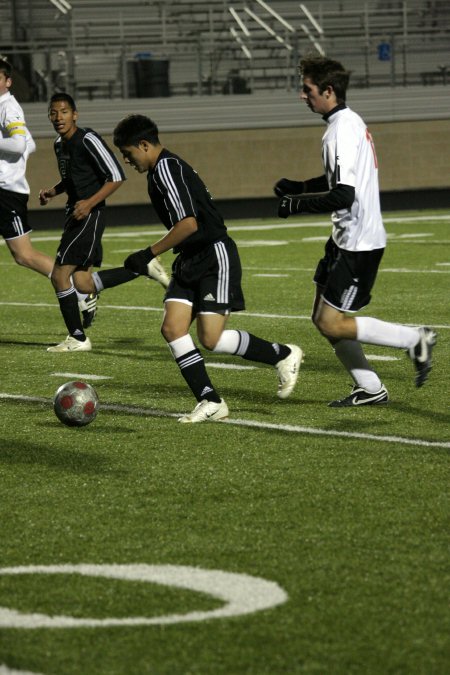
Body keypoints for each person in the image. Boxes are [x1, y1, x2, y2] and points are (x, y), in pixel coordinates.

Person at [113, 114, 303, 423]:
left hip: (214, 255)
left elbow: (189, 223)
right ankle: (210, 400)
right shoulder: (161, 170)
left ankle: (282, 354)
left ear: (144, 145)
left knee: (211, 339)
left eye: (127, 153)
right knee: (172, 328)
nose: (126, 160)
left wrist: (148, 253)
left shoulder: (165, 169)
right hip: (189, 257)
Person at [275, 56, 436, 406]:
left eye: (308, 90)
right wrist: (300, 187)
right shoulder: (346, 123)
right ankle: (370, 388)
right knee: (322, 317)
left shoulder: (341, 129)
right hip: (344, 239)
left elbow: (343, 195)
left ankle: (414, 339)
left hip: (359, 243)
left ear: (328, 91)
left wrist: (295, 206)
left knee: (333, 323)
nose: (303, 96)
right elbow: (341, 178)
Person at [40, 93, 169, 352]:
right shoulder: (59, 144)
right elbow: (73, 178)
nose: (58, 117)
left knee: (59, 275)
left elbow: (115, 175)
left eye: (64, 112)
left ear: (75, 114)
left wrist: (89, 203)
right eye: (53, 113)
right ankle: (141, 268)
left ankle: (77, 338)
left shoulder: (87, 139)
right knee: (83, 283)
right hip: (75, 213)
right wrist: (54, 191)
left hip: (89, 215)